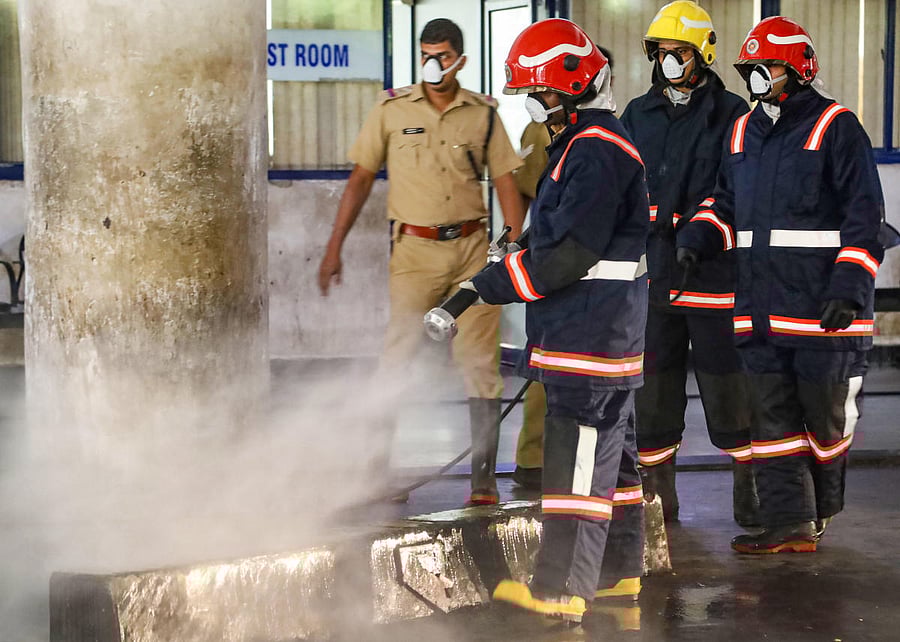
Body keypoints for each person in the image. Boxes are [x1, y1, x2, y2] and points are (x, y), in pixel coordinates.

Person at [676, 16, 884, 553]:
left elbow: (865, 216)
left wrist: (850, 286)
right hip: (760, 310)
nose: (755, 79)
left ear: (796, 70)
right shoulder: (743, 131)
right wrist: (698, 236)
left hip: (823, 311)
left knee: (824, 420)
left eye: (766, 68)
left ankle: (821, 512)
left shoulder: (836, 126)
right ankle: (788, 523)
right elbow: (724, 201)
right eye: (750, 69)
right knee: (771, 423)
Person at [466, 18, 649, 621]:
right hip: (599, 336)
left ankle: (561, 590)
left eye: (543, 94)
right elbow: (561, 241)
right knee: (614, 464)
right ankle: (620, 572)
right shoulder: (587, 144)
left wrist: (489, 283)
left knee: (574, 469)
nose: (538, 106)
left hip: (590, 338)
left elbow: (570, 254)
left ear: (573, 85)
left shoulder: (594, 151)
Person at [317, 18, 525, 505]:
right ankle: (375, 471)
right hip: (413, 252)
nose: (433, 64)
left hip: (473, 250)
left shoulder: (484, 115)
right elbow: (361, 180)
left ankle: (482, 480)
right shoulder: (391, 110)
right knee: (397, 358)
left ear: (460, 60)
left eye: (443, 55)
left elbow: (508, 186)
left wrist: (512, 252)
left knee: (479, 362)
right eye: (426, 54)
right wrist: (334, 247)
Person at [619, 0, 758, 526]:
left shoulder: (733, 116)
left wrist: (699, 233)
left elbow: (734, 190)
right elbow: (625, 185)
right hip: (654, 282)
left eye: (679, 52)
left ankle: (751, 490)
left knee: (730, 391)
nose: (669, 62)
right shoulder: (638, 114)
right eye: (661, 52)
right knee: (653, 395)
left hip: (714, 280)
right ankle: (658, 503)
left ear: (702, 55)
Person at [510, 47, 615, 494]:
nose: (539, 96)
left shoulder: (605, 141)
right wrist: (519, 247)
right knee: (543, 363)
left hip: (594, 277)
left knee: (595, 387)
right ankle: (535, 460)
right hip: (549, 261)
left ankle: (587, 473)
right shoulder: (539, 131)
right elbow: (523, 191)